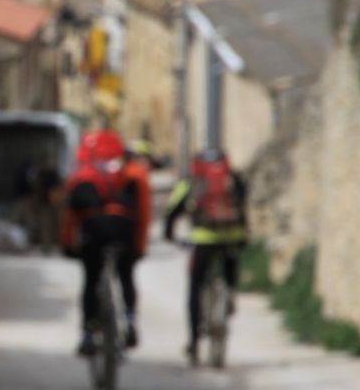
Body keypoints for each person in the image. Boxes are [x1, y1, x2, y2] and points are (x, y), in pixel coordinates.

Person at [61, 129, 153, 356]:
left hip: (93, 235)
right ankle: (130, 321)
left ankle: (88, 333)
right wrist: (140, 247)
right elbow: (143, 213)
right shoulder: (133, 174)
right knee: (126, 276)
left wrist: (68, 246)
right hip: (123, 232)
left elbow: (69, 217)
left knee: (91, 281)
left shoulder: (80, 176)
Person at [165, 149, 249, 365]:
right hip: (231, 236)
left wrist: (169, 234)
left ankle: (194, 342)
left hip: (203, 239)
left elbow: (173, 210)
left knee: (195, 286)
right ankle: (229, 294)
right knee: (230, 263)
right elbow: (243, 204)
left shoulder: (193, 181)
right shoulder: (233, 178)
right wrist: (243, 236)